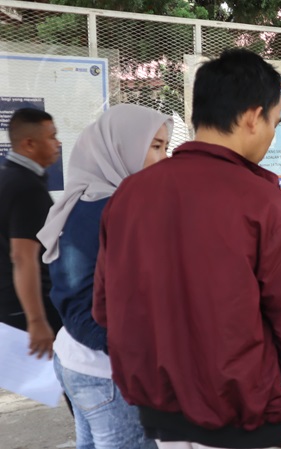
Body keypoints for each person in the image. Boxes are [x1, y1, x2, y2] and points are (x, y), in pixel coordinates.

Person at [91, 49, 281, 449]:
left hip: (163, 415)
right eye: (274, 123)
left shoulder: (129, 194)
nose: (272, 135)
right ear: (252, 116)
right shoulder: (263, 202)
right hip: (245, 415)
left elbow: (106, 309)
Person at [36, 104, 172, 449]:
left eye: (166, 147)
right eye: (155, 147)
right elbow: (82, 300)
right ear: (121, 147)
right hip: (109, 374)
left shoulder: (85, 198)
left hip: (77, 359)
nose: (163, 158)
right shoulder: (106, 208)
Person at [0, 107, 62, 358]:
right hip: (28, 304)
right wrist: (36, 320)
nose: (58, 143)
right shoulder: (27, 188)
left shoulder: (7, 178)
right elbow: (23, 256)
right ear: (29, 144)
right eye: (51, 136)